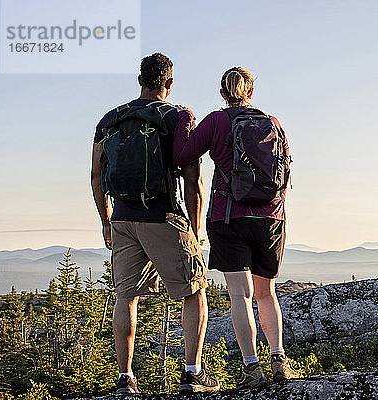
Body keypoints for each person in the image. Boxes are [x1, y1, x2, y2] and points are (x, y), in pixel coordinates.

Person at [90, 53, 219, 394]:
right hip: (161, 213)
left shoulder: (110, 118)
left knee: (125, 296)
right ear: (169, 83)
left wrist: (106, 220)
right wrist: (193, 227)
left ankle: (125, 379)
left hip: (122, 217)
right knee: (194, 291)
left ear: (139, 80)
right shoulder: (178, 117)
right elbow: (193, 180)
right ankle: (193, 374)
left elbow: (96, 174)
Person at [173, 66, 297, 388]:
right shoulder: (274, 124)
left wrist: (186, 121)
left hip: (227, 217)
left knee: (240, 295)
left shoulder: (216, 121)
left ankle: (251, 368)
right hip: (271, 218)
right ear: (251, 92)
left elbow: (182, 154)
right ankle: (279, 359)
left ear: (223, 93)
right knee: (267, 293)